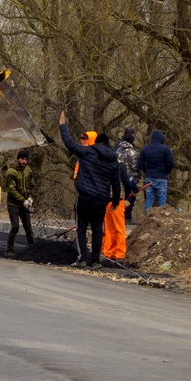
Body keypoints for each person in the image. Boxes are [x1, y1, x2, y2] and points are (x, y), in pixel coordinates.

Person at [59, 112, 122, 268]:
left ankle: (81, 259)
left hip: (85, 197)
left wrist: (62, 125)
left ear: (96, 142)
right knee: (97, 229)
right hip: (102, 199)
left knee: (81, 228)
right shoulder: (113, 161)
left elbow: (69, 143)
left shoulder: (88, 152)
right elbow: (116, 184)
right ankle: (95, 261)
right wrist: (115, 202)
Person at [98, 133, 135, 261]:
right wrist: (128, 198)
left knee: (109, 229)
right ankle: (117, 254)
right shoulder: (120, 166)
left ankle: (109, 253)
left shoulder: (103, 164)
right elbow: (127, 184)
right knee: (118, 229)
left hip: (106, 201)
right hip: (117, 201)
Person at [3, 148, 36, 257]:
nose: (24, 161)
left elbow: (32, 186)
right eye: (22, 159)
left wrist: (30, 197)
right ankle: (9, 249)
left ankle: (33, 249)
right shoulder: (10, 172)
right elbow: (11, 190)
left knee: (28, 228)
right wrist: (23, 200)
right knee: (15, 227)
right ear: (18, 159)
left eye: (26, 159)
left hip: (25, 204)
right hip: (13, 204)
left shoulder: (29, 171)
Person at [138, 129, 174, 211]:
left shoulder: (145, 149)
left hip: (149, 177)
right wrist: (166, 172)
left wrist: (146, 171)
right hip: (161, 178)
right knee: (162, 200)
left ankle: (147, 219)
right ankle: (161, 219)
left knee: (149, 199)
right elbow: (171, 163)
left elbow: (140, 164)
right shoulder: (165, 149)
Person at [116, 128, 140, 222]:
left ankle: (122, 215)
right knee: (130, 198)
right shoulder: (132, 152)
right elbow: (135, 166)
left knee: (121, 198)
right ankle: (127, 216)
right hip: (130, 178)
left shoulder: (117, 151)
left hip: (118, 179)